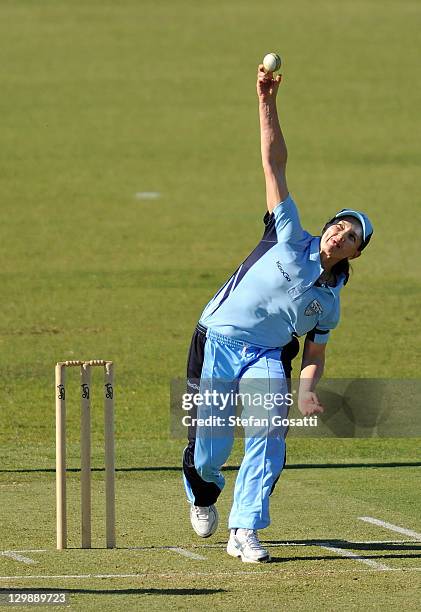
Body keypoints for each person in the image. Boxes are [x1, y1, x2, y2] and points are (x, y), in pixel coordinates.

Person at [182, 64, 373, 563]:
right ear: (326, 227)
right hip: (217, 338)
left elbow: (314, 351)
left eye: (351, 237)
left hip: (265, 356)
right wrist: (266, 100)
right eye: (338, 226)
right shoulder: (287, 234)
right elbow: (274, 164)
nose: (340, 235)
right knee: (211, 448)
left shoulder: (328, 302)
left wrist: (306, 389)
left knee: (269, 434)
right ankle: (203, 490)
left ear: (355, 253)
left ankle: (245, 529)